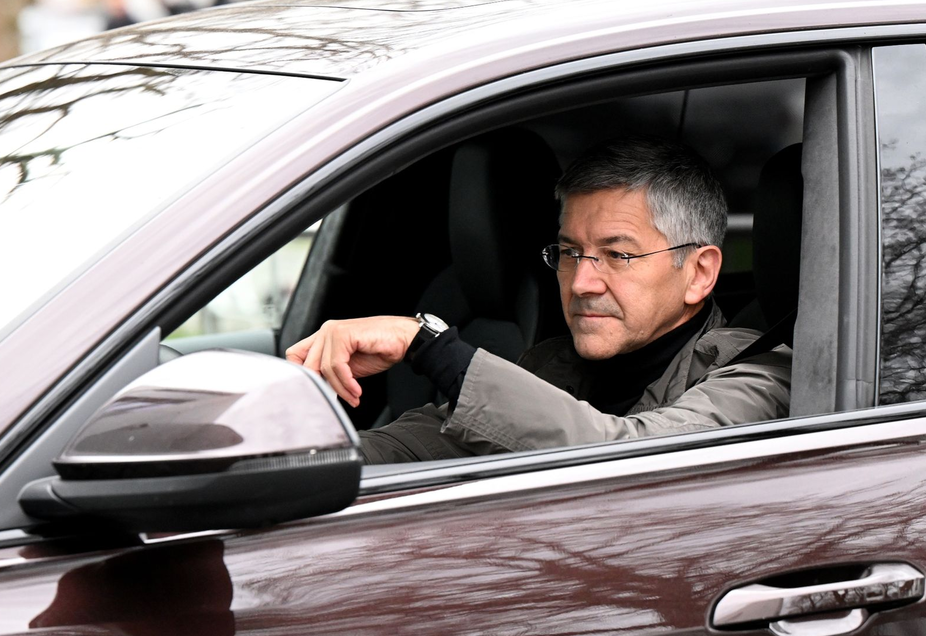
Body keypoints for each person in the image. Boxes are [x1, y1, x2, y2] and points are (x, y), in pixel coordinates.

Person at [286, 136, 792, 463]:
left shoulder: (763, 375)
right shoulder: (552, 363)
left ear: (699, 272)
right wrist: (293, 460)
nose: (580, 284)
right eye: (571, 252)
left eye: (617, 255)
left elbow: (632, 457)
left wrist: (429, 344)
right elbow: (429, 442)